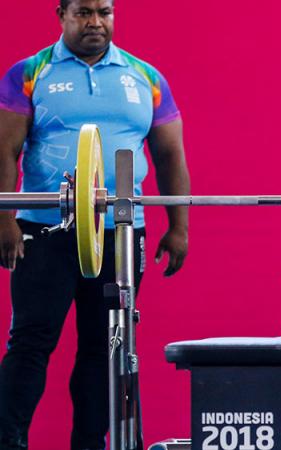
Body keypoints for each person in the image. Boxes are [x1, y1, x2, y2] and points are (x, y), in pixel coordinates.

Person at [0, 0, 190, 448]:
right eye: (83, 12)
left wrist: (178, 225)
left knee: (105, 350)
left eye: (104, 12)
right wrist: (5, 219)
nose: (95, 22)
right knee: (30, 342)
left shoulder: (145, 77)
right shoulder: (30, 73)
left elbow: (169, 155)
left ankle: (90, 445)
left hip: (122, 233)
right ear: (61, 15)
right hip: (44, 231)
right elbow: (5, 152)